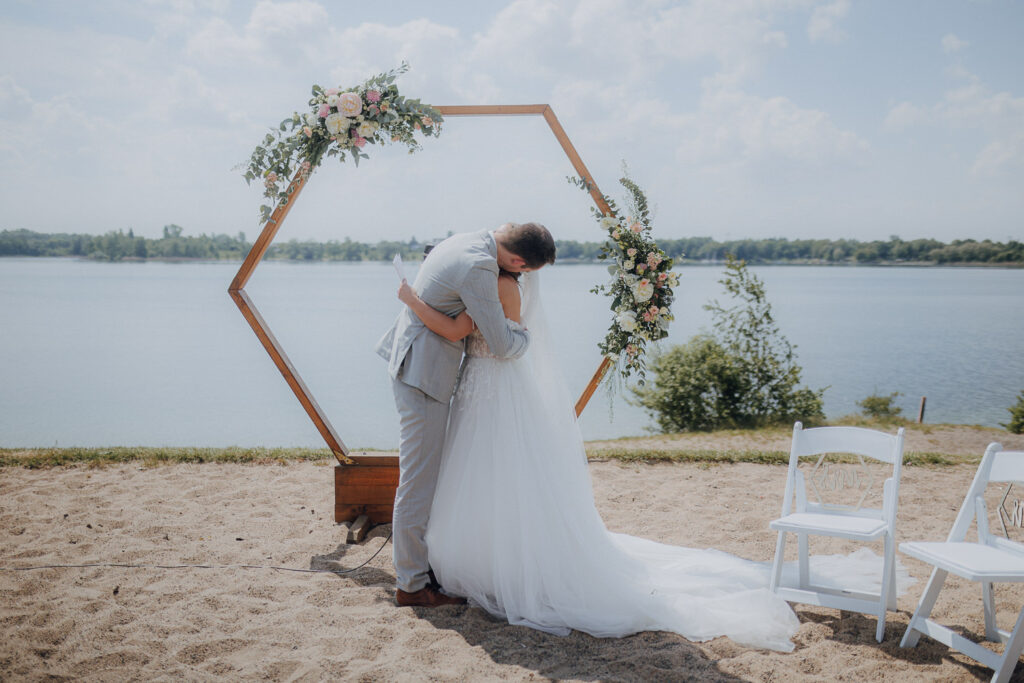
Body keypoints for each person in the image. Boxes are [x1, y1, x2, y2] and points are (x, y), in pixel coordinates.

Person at [396, 266, 804, 651]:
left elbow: (477, 334)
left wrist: (414, 301)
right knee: (480, 473)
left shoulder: (500, 285)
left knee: (494, 470)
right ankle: (478, 556)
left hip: (490, 385)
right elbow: (464, 327)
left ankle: (487, 561)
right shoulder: (489, 282)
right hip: (477, 385)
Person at [376, 222, 557, 608]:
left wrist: (411, 300)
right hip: (423, 374)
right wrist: (526, 336)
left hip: (418, 361)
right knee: (418, 481)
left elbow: (460, 326)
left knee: (432, 476)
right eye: (525, 270)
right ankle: (410, 584)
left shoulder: (469, 238)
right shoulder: (481, 268)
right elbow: (503, 344)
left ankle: (424, 569)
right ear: (519, 261)